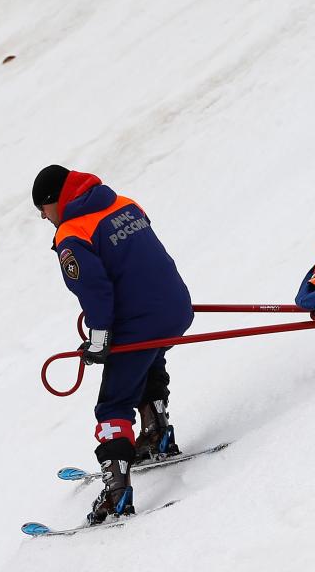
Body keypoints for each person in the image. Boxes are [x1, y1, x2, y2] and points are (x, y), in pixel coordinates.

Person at [32, 164, 194, 526]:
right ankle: (156, 433)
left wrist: (99, 339)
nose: (43, 217)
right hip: (176, 307)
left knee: (113, 403)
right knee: (146, 359)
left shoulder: (72, 235)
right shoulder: (124, 203)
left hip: (141, 322)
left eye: (42, 208)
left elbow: (95, 290)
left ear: (54, 201)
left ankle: (117, 489)